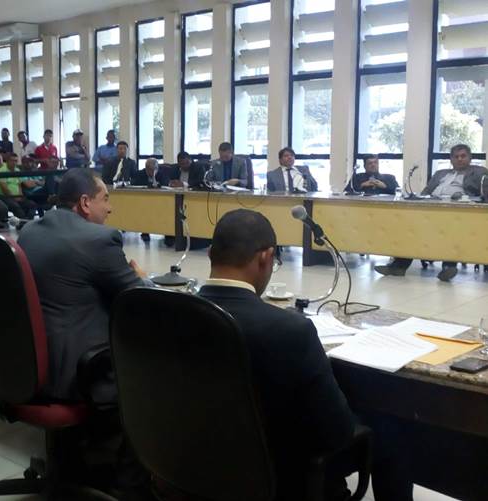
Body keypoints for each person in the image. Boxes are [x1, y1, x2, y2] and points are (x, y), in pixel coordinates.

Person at [195, 209, 355, 500]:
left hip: (190, 469)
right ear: (266, 258)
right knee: (389, 438)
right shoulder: (290, 330)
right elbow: (337, 433)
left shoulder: (172, 313)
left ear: (209, 254)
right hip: (274, 481)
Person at [17, 168, 152, 499]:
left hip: (27, 365)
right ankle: (128, 487)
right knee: (153, 378)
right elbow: (140, 300)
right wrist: (143, 276)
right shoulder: (98, 239)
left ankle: (78, 459)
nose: (110, 207)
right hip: (75, 373)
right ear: (84, 203)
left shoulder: (31, 230)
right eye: (105, 198)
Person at [374, 144, 488, 282]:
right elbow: (426, 192)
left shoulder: (479, 172)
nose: (459, 159)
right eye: (456, 156)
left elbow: (483, 195)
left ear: (470, 158)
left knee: (451, 227)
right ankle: (398, 266)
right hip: (432, 207)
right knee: (409, 226)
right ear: (451, 159)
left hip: (458, 211)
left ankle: (448, 267)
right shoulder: (440, 173)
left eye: (463, 156)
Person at [0, 152, 36, 219]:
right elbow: (4, 188)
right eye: (12, 161)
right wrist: (14, 197)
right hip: (4, 196)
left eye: (16, 161)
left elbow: (19, 185)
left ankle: (28, 221)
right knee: (17, 208)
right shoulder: (2, 171)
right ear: (7, 161)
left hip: (17, 196)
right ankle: (23, 222)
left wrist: (20, 195)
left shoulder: (17, 170)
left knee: (32, 204)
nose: (14, 163)